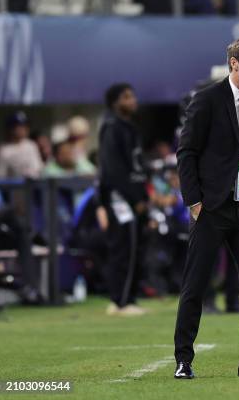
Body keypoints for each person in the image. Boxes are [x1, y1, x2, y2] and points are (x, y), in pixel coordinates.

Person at [173, 36, 239, 379]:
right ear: (235, 62)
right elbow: (186, 152)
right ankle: (183, 360)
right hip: (212, 208)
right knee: (196, 285)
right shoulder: (206, 101)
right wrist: (194, 201)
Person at [98, 83, 149, 316]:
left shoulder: (130, 128)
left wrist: (144, 194)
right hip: (120, 198)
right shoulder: (111, 128)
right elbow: (114, 169)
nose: (133, 100)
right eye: (127, 97)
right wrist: (133, 197)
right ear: (115, 102)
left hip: (134, 195)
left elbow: (136, 165)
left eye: (133, 95)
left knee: (134, 246)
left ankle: (128, 297)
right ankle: (120, 301)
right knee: (123, 247)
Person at [0, 111, 44, 179]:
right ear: (11, 128)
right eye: (19, 126)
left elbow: (38, 169)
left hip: (33, 186)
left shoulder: (31, 145)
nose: (23, 129)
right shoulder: (4, 150)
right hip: (14, 187)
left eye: (25, 126)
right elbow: (1, 175)